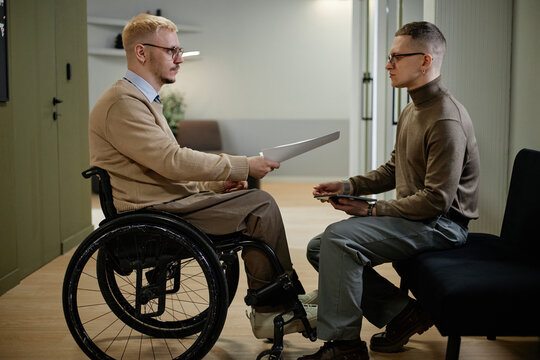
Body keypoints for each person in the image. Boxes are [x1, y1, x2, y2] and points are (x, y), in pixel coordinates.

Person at [88, 13, 316, 340]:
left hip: (164, 202)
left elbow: (163, 168)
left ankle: (281, 299)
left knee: (255, 203)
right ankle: (271, 310)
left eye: (180, 50)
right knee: (260, 205)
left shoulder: (140, 100)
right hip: (153, 212)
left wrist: (216, 183)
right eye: (171, 51)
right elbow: (172, 162)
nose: (179, 59)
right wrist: (243, 166)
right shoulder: (123, 103)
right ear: (141, 52)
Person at [299, 21, 480, 360]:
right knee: (319, 247)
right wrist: (348, 186)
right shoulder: (413, 108)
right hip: (418, 218)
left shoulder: (445, 119)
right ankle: (403, 314)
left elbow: (436, 201)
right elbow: (394, 170)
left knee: (337, 240)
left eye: (396, 57)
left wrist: (371, 210)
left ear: (425, 61)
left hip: (442, 225)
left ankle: (344, 347)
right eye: (389, 56)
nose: (387, 65)